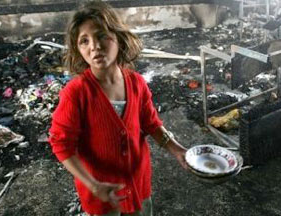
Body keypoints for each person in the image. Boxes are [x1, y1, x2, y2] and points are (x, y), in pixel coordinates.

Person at [48, 1, 187, 215]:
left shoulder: (136, 83)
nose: (94, 46)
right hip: (101, 195)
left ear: (118, 38)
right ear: (78, 49)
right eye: (84, 41)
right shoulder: (75, 93)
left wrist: (177, 149)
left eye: (101, 35)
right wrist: (93, 184)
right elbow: (61, 145)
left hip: (138, 184)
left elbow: (151, 123)